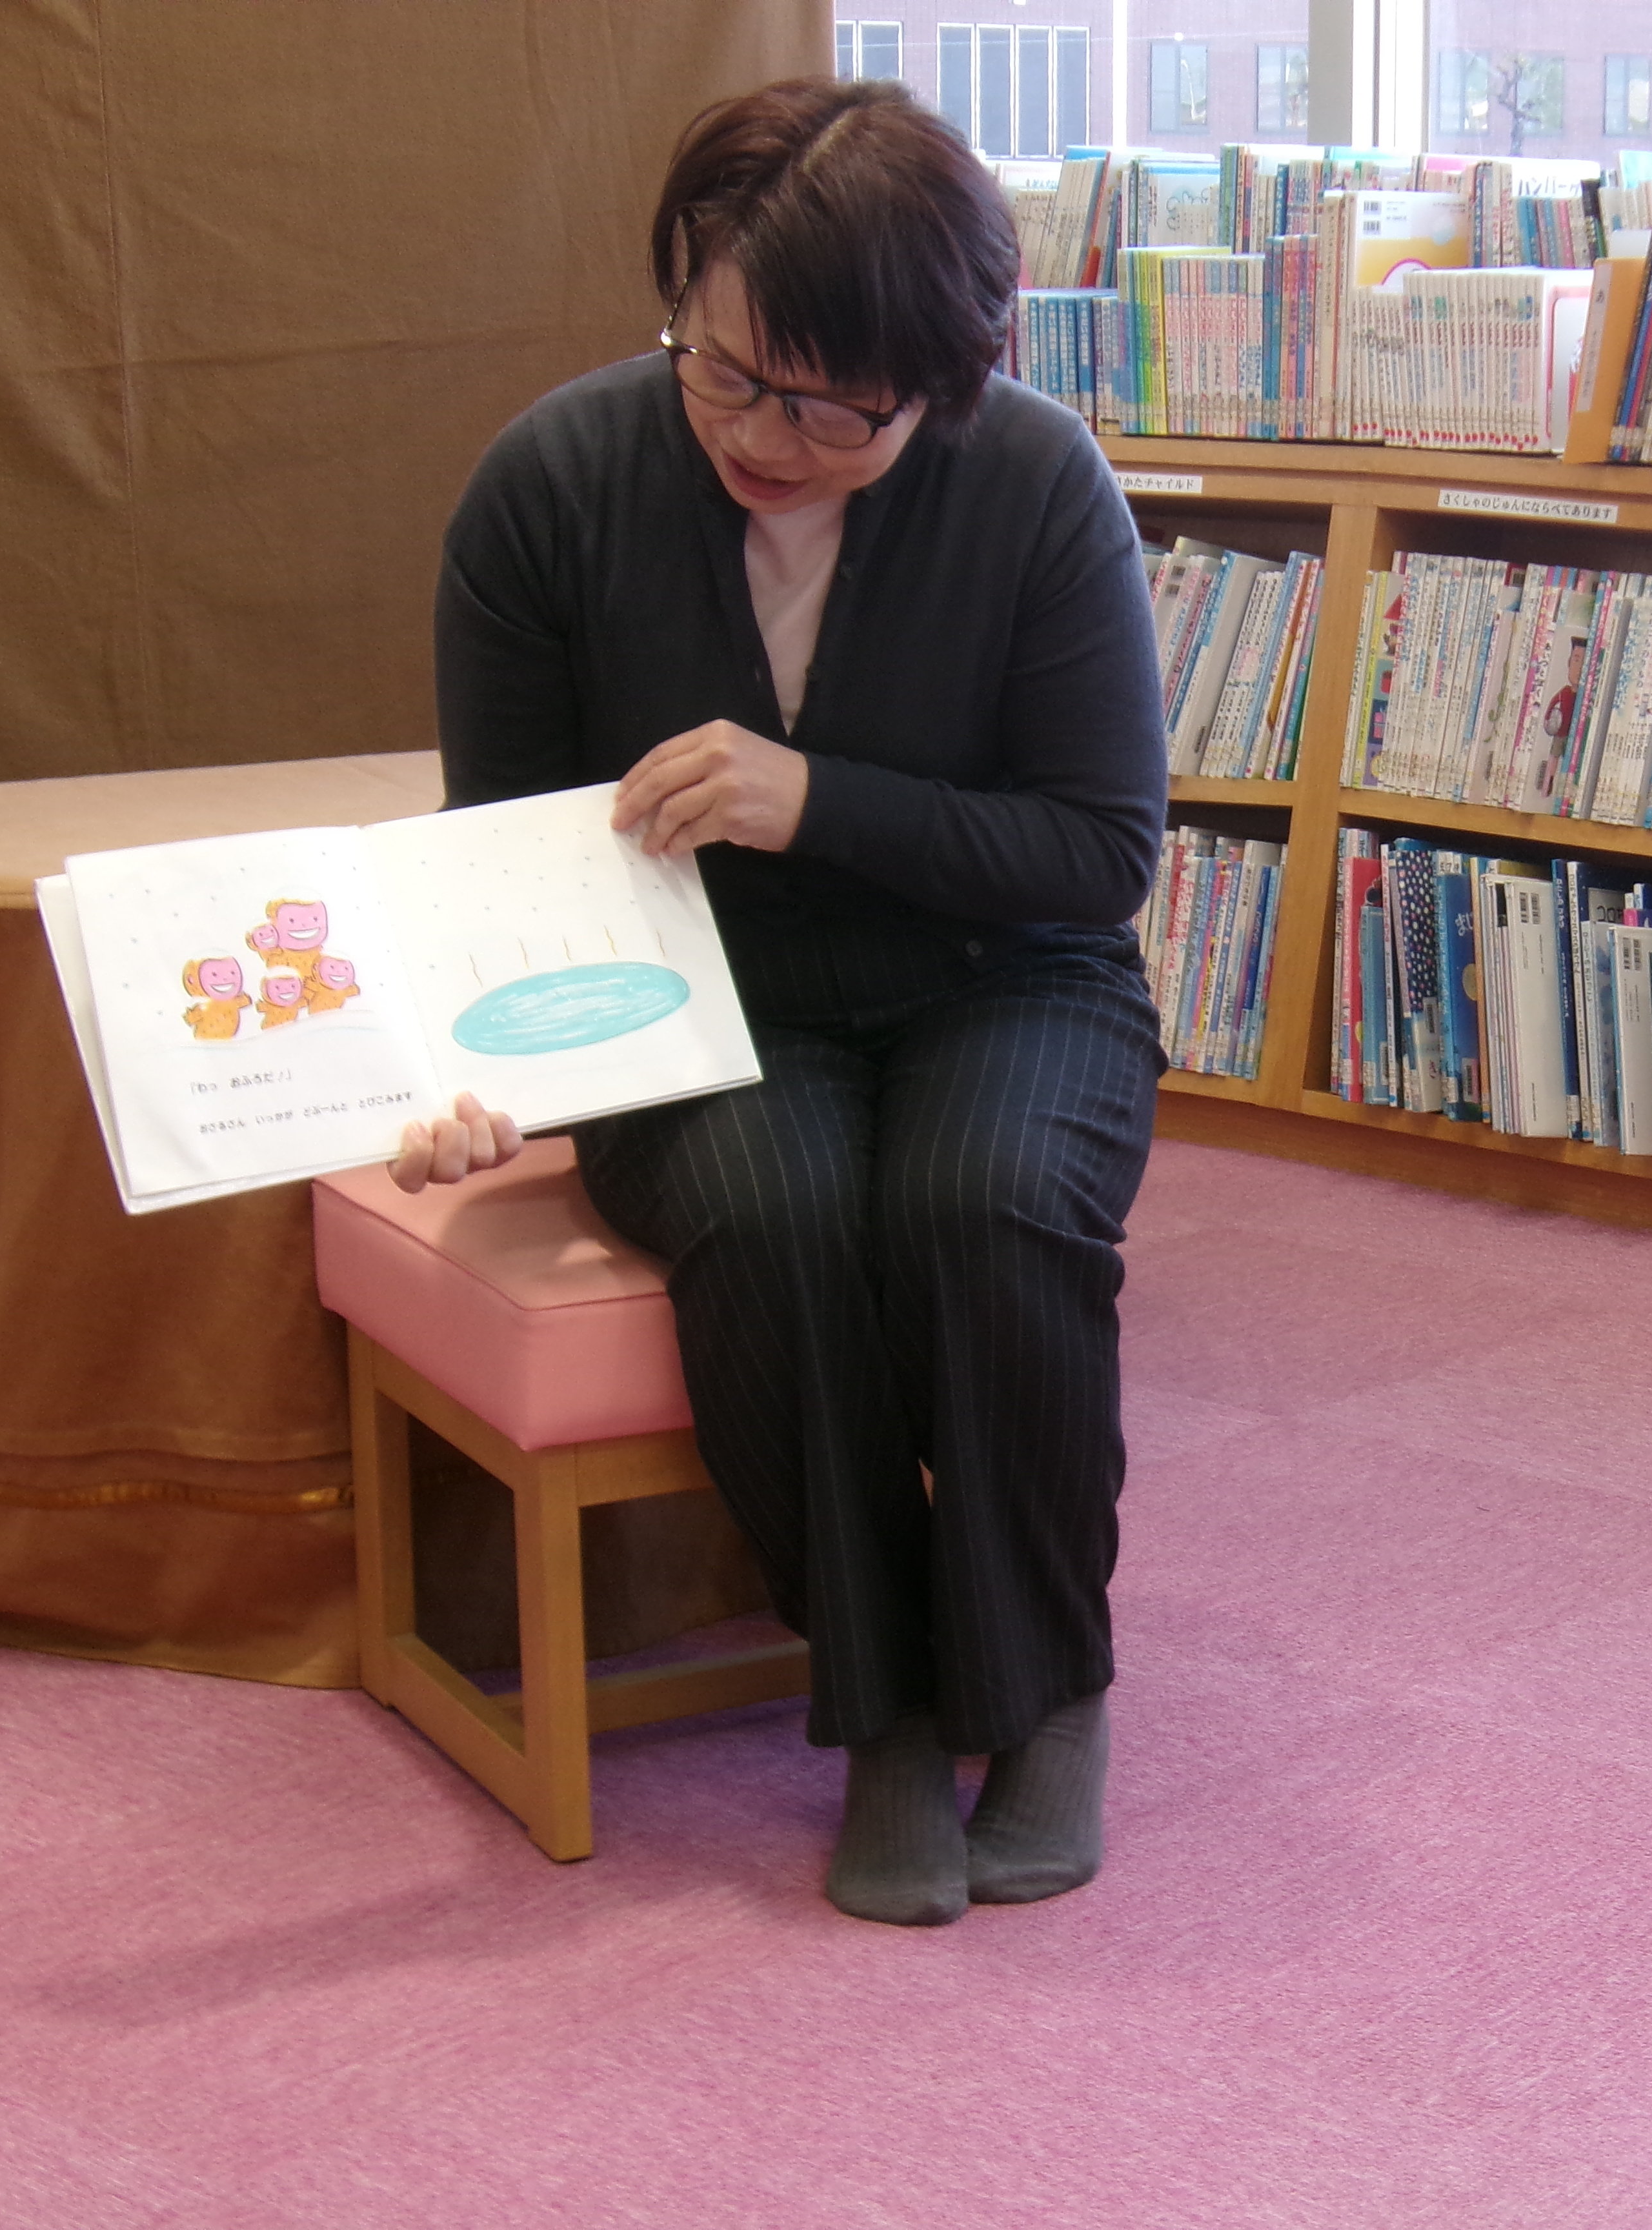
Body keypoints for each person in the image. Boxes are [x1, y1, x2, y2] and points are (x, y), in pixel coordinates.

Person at [404, 77, 1167, 1929]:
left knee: (986, 1200)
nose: (765, 434)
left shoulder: (1036, 481)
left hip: (1010, 970)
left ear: (949, 378)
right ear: (685, 297)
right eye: (728, 371)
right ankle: (884, 1701)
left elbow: (1096, 853)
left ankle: (1044, 1687)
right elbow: (503, 862)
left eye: (835, 408)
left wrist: (812, 799)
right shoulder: (551, 486)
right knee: (775, 1214)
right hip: (694, 1005)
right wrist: (466, 1068)